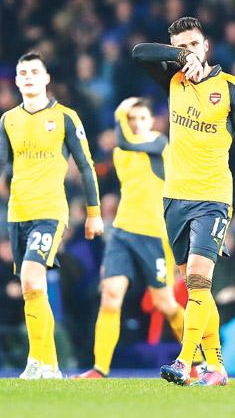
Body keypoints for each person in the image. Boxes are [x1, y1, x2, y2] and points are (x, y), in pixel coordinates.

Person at [132, 16, 235, 386]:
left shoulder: (231, 88)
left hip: (212, 198)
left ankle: (184, 361)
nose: (190, 52)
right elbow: (139, 53)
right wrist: (178, 59)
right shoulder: (174, 79)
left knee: (197, 279)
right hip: (174, 197)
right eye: (182, 46)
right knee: (197, 289)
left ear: (206, 46)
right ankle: (217, 368)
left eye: (194, 45)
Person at [0, 52, 103, 379]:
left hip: (50, 210)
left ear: (46, 78)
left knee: (32, 277)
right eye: (23, 73)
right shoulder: (9, 119)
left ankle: (36, 360)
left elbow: (87, 167)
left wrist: (93, 212)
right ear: (17, 81)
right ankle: (49, 365)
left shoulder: (65, 117)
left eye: (35, 71)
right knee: (34, 288)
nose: (29, 77)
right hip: (17, 212)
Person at [73, 97, 186, 378]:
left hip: (154, 236)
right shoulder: (122, 151)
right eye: (132, 119)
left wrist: (119, 112)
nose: (136, 123)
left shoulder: (160, 144)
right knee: (110, 295)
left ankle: (195, 361)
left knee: (165, 303)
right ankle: (100, 369)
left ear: (152, 121)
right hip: (122, 232)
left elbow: (125, 139)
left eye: (142, 118)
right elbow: (123, 143)